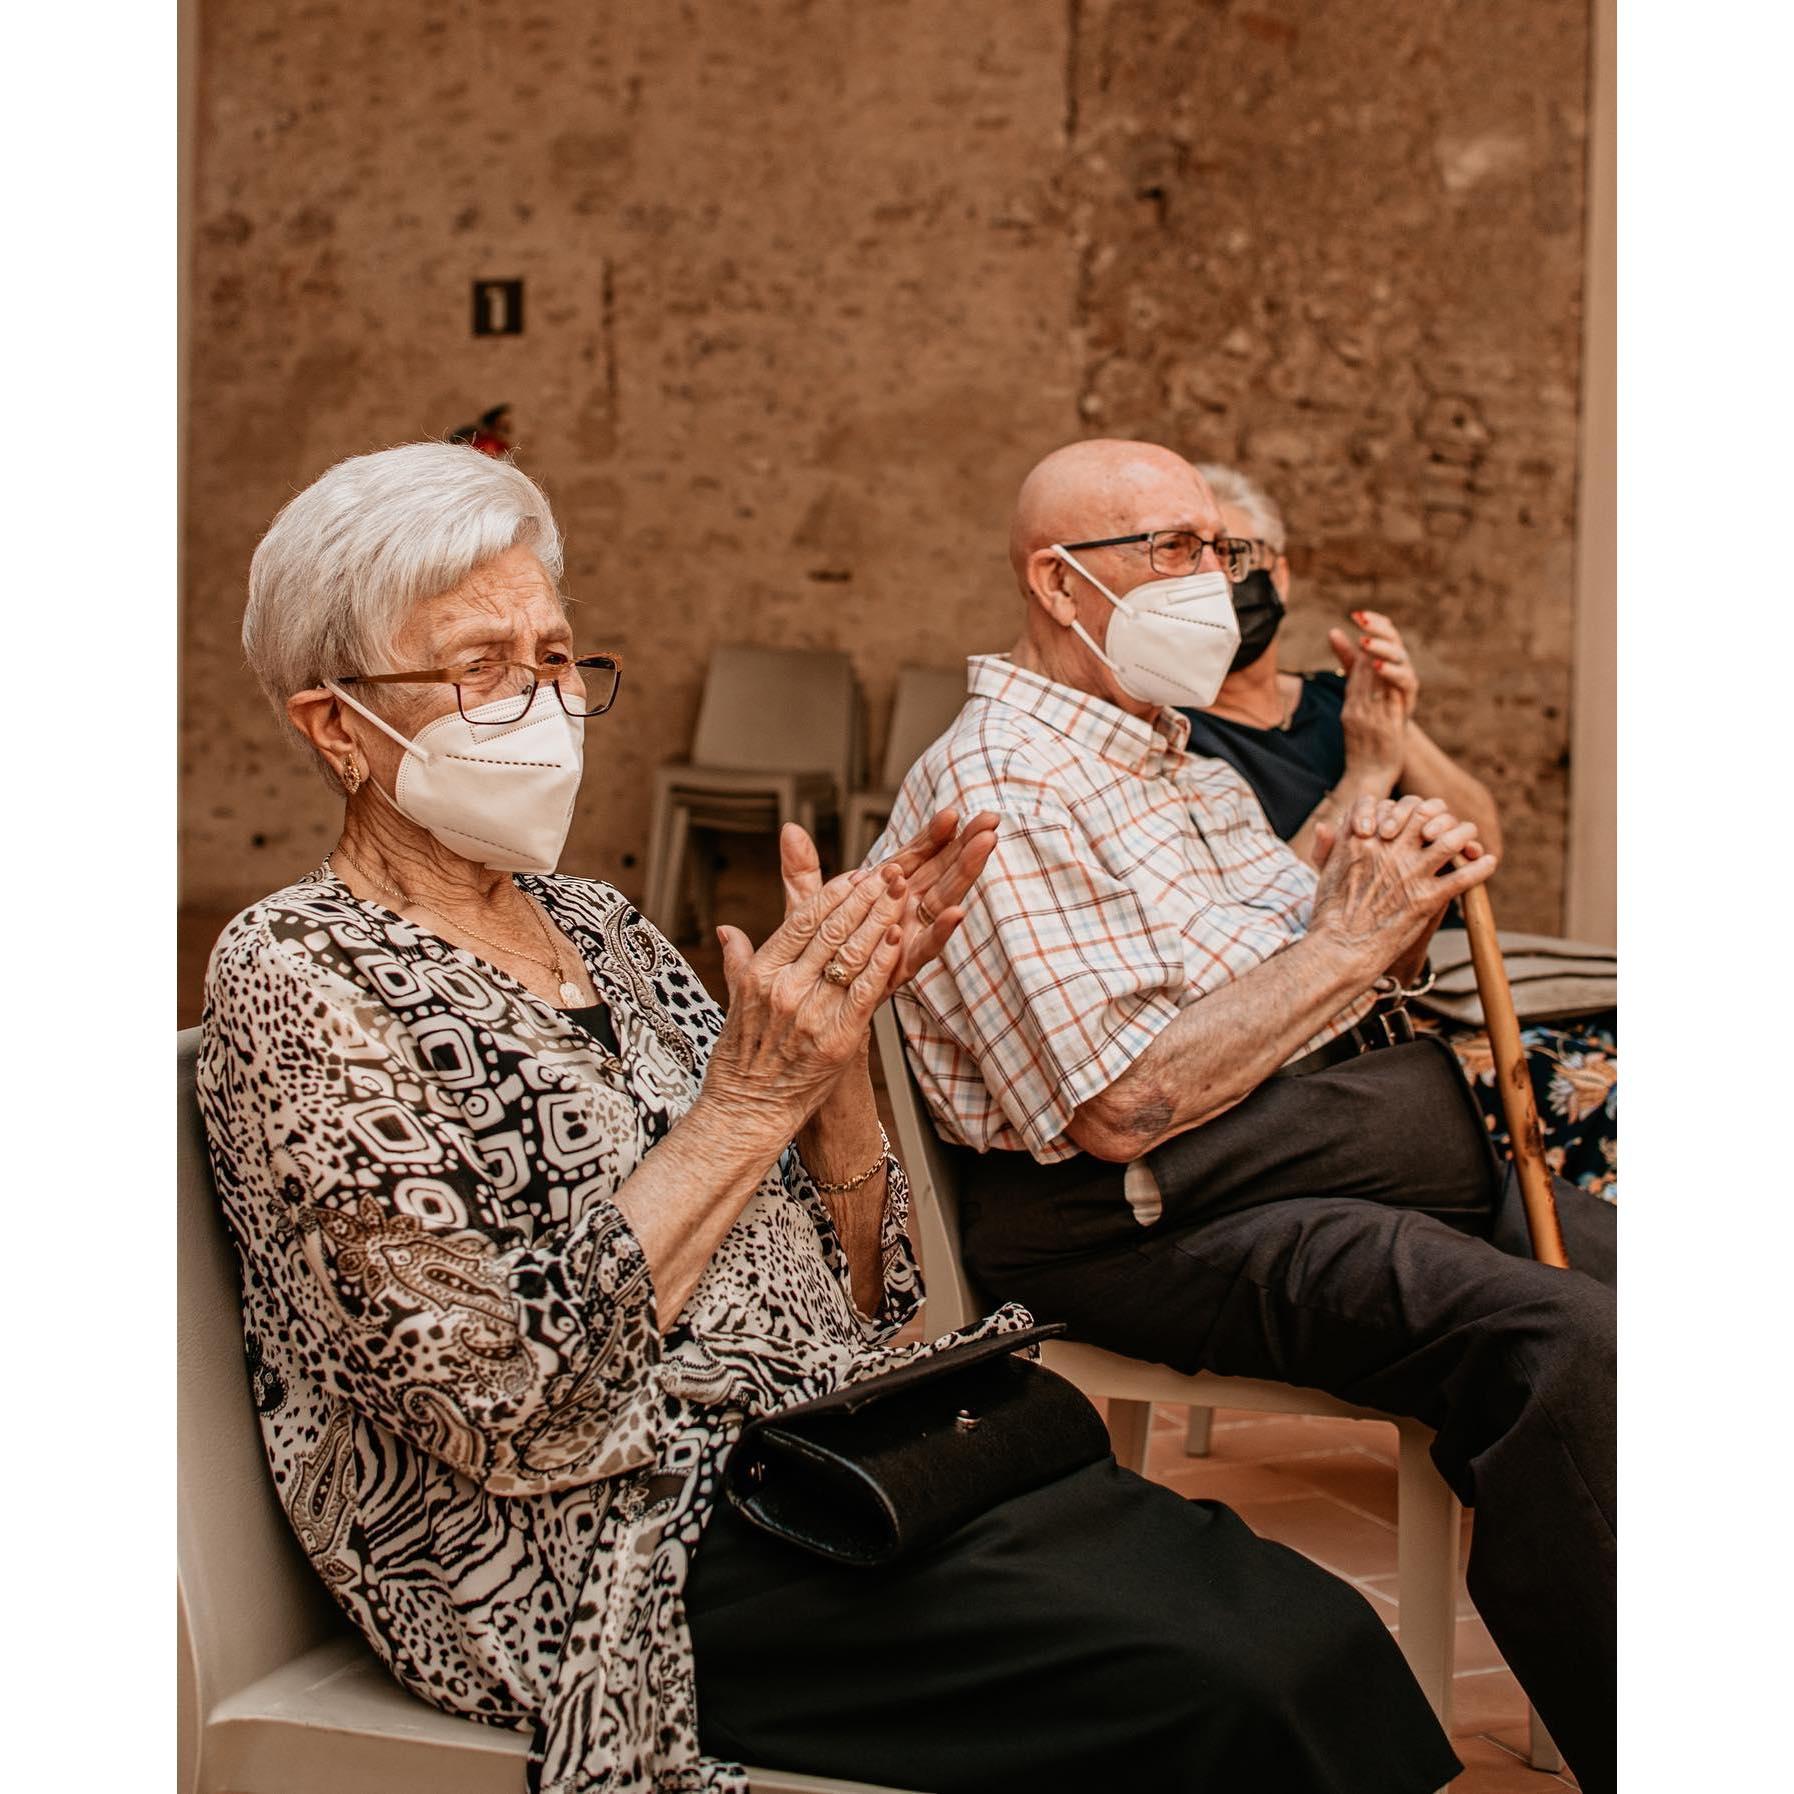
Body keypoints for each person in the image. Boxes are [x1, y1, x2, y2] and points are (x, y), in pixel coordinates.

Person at [197, 442, 1460, 1794]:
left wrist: (837, 1059)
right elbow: (510, 1411)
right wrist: (748, 1097)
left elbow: (860, 1310)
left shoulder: (599, 926)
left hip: (811, 1457)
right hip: (585, 1554)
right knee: (1223, 1696)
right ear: (333, 723)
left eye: (557, 657)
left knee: (1309, 1629)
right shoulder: (300, 976)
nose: (545, 703)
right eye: (481, 666)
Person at [872, 437, 1618, 1794]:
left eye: (1218, 550)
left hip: (1294, 1149)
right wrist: (1341, 950)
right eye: (1172, 549)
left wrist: (1379, 887)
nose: (1211, 580)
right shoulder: (1003, 784)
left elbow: (1283, 964)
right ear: (1056, 580)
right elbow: (1118, 1102)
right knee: (1563, 1340)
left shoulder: (1169, 761)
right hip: (1142, 1213)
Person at [1183, 461, 1617, 1201]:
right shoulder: (1176, 740)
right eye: (1197, 564)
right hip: (1347, 1033)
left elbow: (1483, 841)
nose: (1222, 581)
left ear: (1280, 576)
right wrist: (1370, 771)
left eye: (1238, 556)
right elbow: (1252, 919)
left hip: (1438, 983)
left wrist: (1397, 718)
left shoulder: (1333, 699)